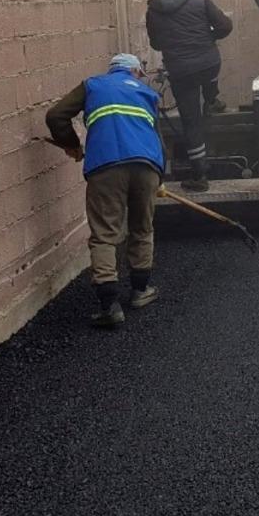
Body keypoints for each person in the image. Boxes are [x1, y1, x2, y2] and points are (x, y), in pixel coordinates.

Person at [46, 53, 164, 328]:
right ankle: (140, 291)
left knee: (104, 235)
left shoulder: (92, 85)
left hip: (105, 167)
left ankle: (109, 306)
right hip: (147, 166)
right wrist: (160, 177)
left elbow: (55, 115)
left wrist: (71, 144)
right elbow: (157, 138)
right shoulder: (147, 93)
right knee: (142, 228)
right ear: (135, 72)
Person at [145, 0, 233, 192]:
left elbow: (155, 43)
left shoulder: (154, 9)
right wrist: (207, 37)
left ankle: (200, 175)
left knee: (191, 121)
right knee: (210, 74)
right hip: (208, 63)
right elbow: (225, 27)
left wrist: (174, 43)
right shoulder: (201, 1)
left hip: (180, 70)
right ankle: (212, 99)